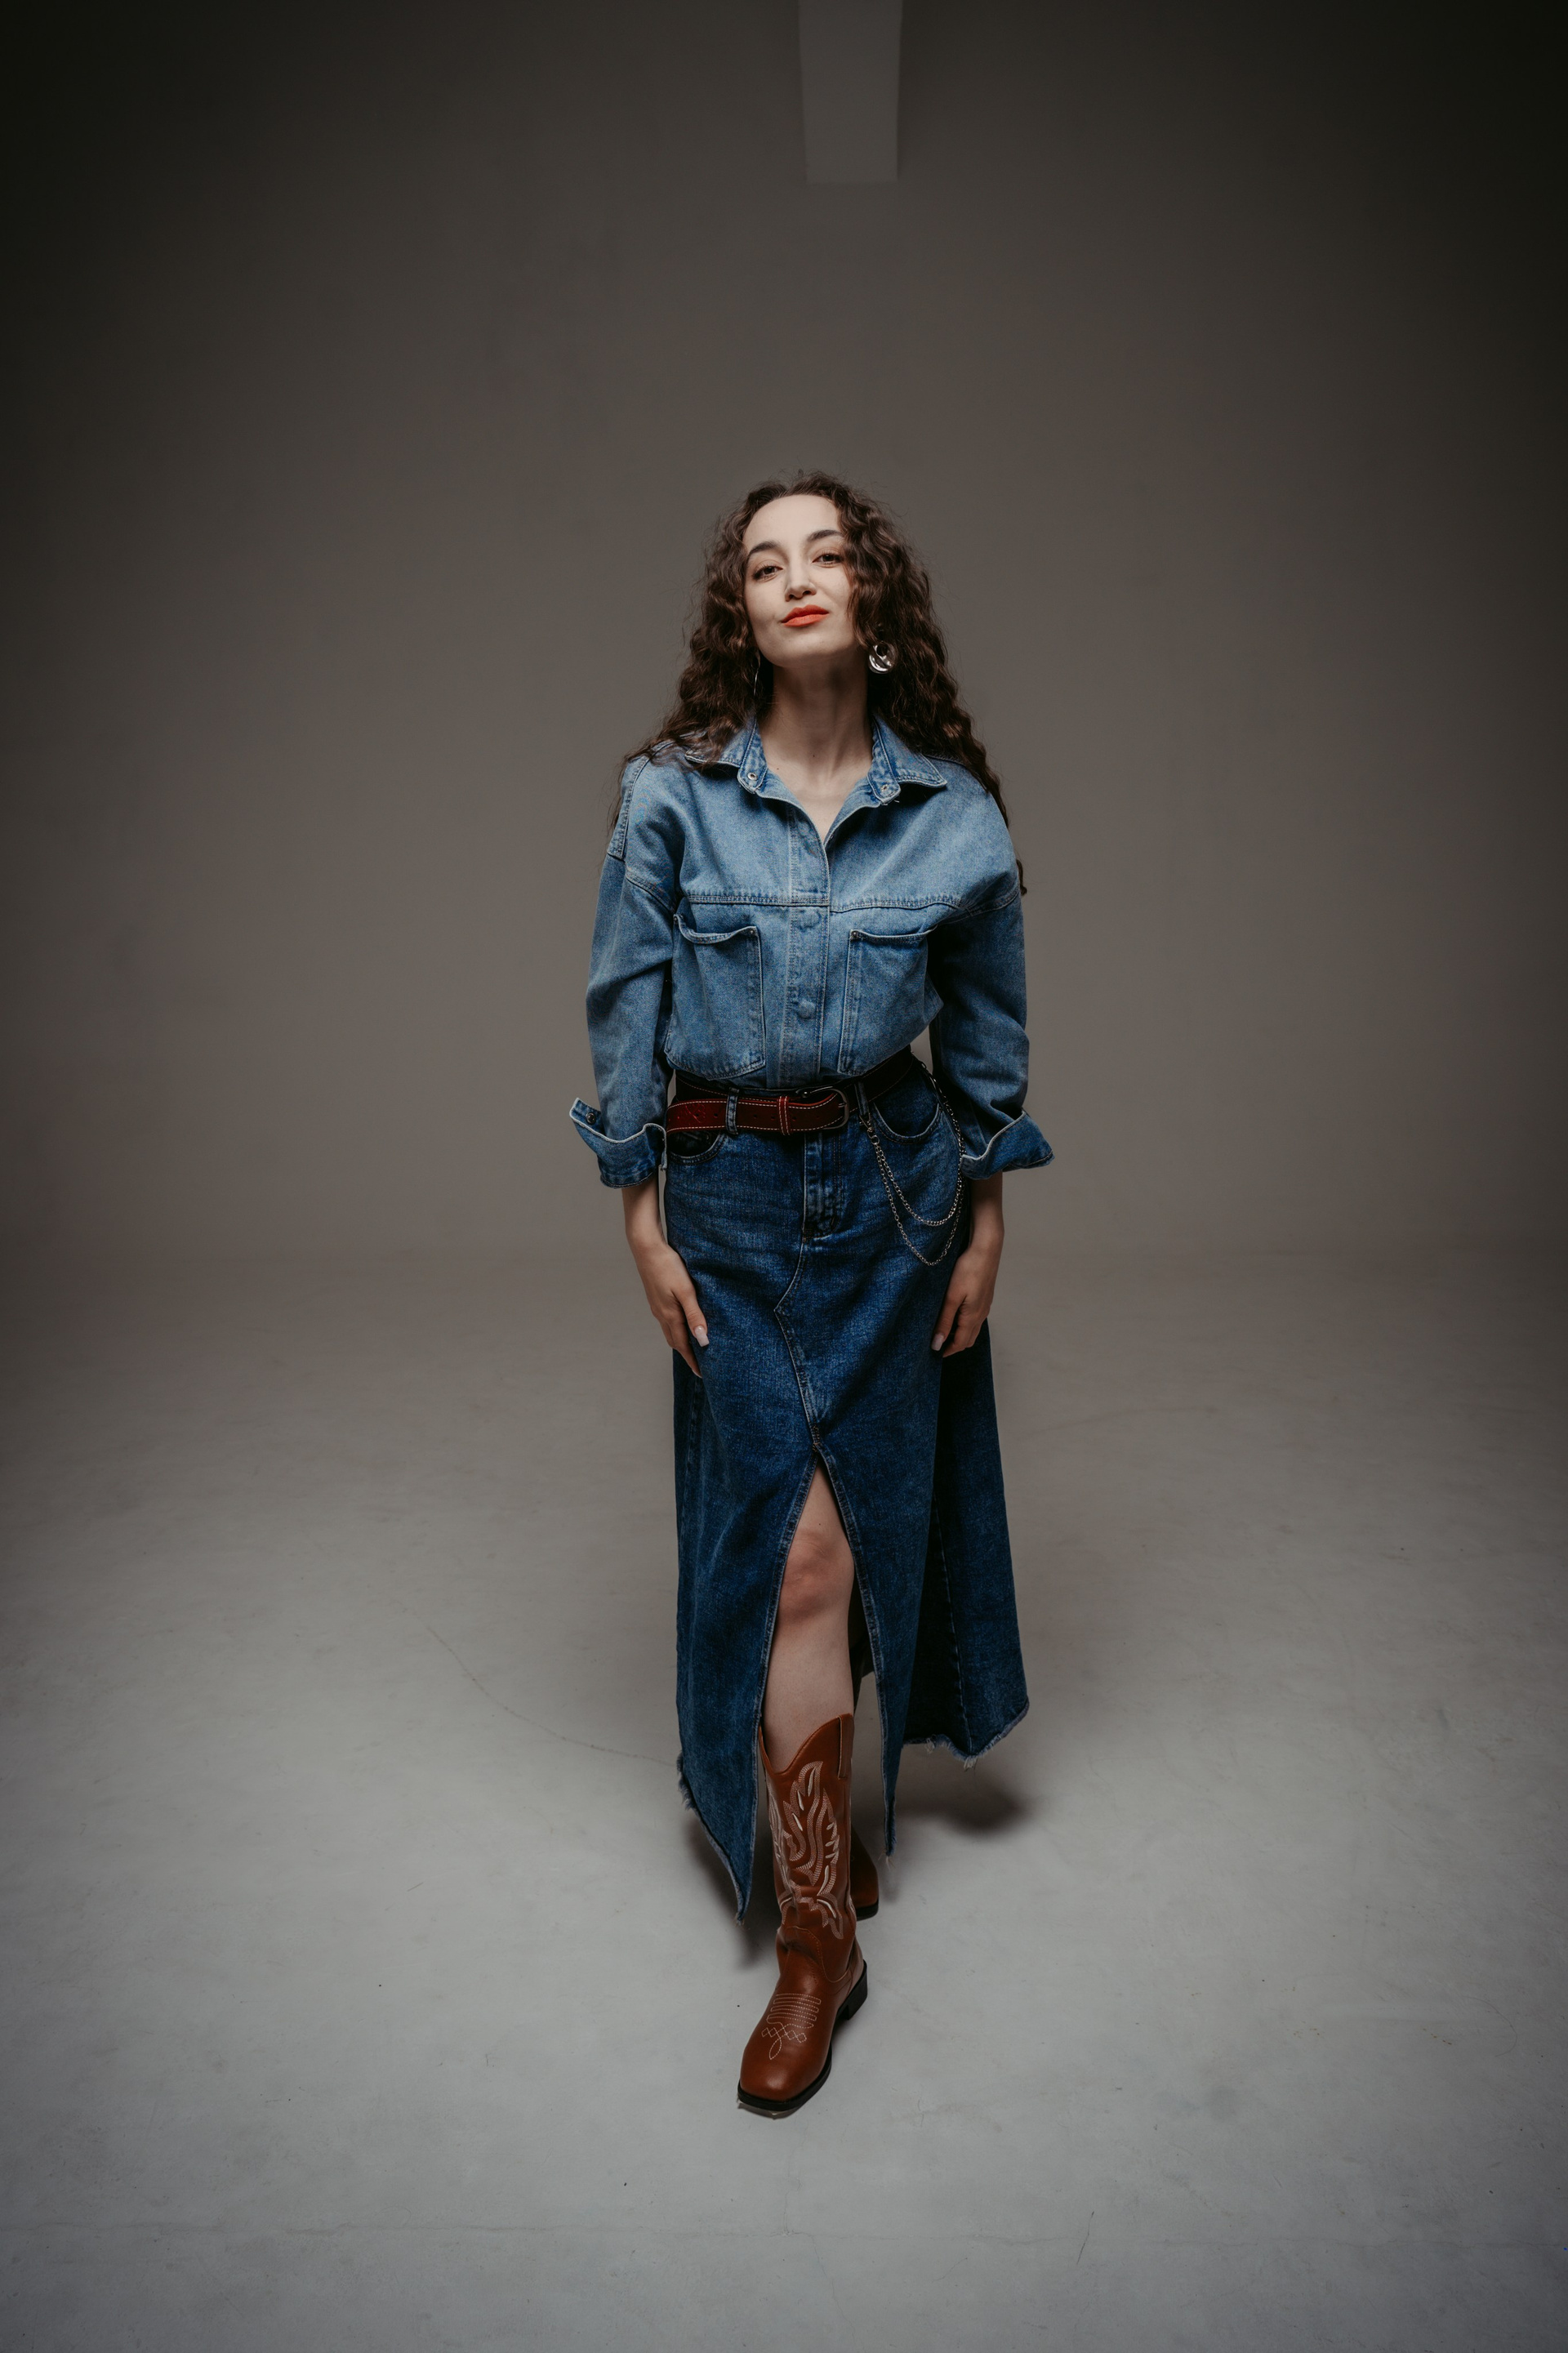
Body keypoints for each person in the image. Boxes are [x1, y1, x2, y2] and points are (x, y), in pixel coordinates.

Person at [570, 472, 1051, 2115]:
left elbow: (985, 1035)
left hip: (894, 1197)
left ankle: (819, 1887)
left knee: (852, 1539)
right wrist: (641, 1219)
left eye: (824, 553)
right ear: (742, 611)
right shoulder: (670, 799)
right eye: (764, 561)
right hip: (723, 1197)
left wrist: (986, 1222)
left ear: (871, 594)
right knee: (788, 1550)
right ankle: (817, 1936)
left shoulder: (957, 817)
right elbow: (626, 1006)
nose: (795, 579)